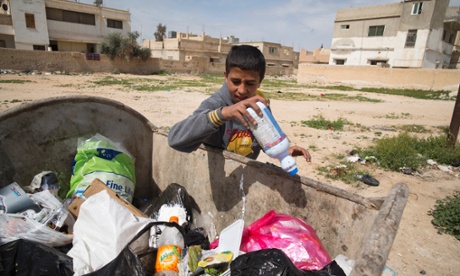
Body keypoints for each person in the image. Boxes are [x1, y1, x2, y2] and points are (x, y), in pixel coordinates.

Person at [168, 45, 311, 164]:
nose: (242, 91)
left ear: (260, 81)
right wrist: (223, 114)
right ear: (225, 76)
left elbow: (264, 138)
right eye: (235, 82)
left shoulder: (259, 104)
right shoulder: (215, 104)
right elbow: (174, 139)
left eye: (250, 83)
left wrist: (284, 151)